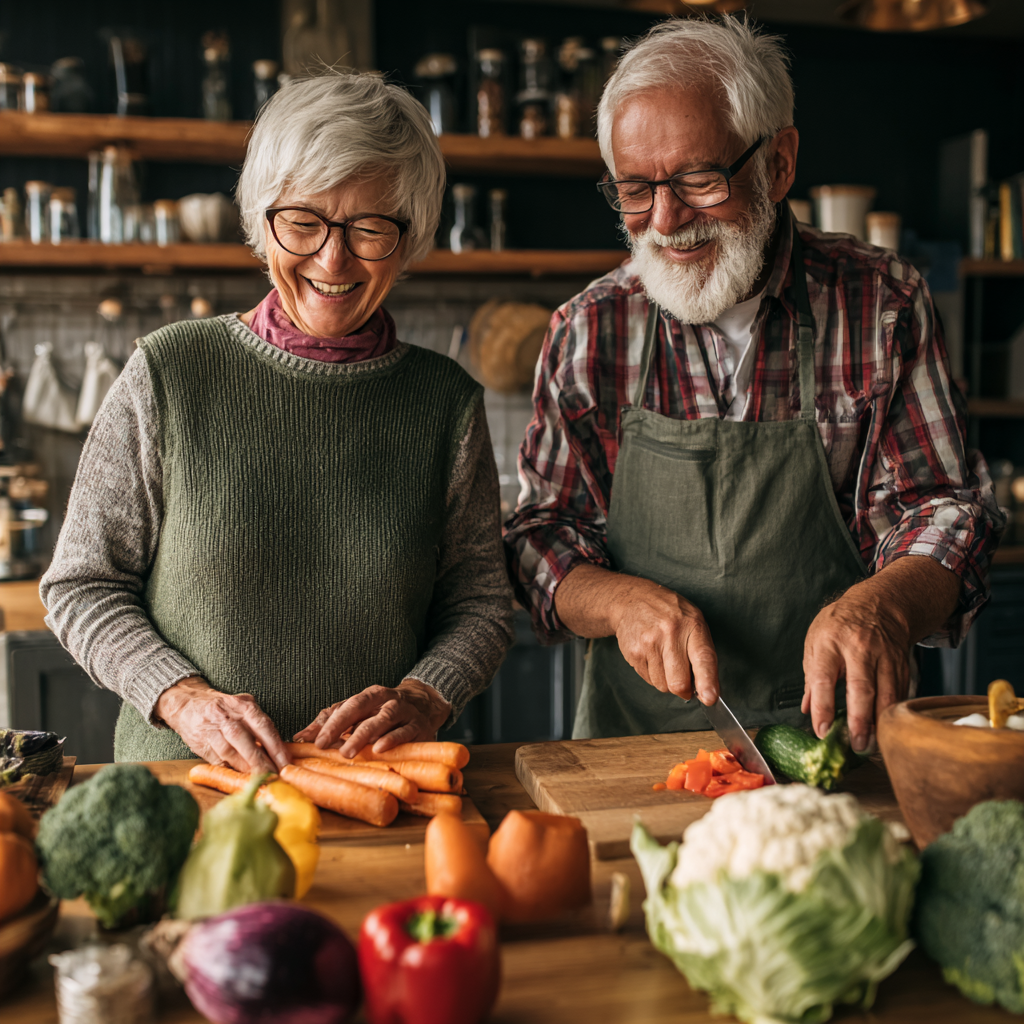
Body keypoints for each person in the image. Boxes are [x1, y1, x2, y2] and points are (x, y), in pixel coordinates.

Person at [504, 18, 1003, 752]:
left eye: (699, 180)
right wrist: (616, 601)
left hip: (837, 742)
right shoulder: (590, 328)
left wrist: (883, 607)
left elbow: (947, 510)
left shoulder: (881, 303)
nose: (666, 222)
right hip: (634, 754)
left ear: (778, 162)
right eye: (636, 191)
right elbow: (540, 534)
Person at [42, 72, 514, 773]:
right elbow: (79, 586)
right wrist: (181, 697)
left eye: (370, 228)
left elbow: (481, 603)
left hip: (378, 791)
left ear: (409, 237)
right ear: (262, 221)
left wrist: (426, 695)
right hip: (188, 788)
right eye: (303, 221)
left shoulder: (446, 404)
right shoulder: (170, 374)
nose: (333, 258)